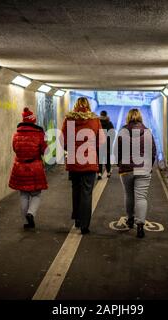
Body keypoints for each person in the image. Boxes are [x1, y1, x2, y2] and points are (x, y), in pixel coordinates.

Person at [61, 97, 105, 234]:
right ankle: (85, 225)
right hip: (89, 162)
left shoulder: (69, 120)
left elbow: (62, 141)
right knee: (86, 192)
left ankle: (77, 220)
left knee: (76, 190)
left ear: (76, 106)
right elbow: (101, 141)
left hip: (74, 161)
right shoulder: (95, 120)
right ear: (88, 106)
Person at [116, 109, 156, 238]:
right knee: (141, 197)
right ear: (140, 118)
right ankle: (140, 227)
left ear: (128, 118)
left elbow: (116, 151)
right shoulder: (148, 132)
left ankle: (130, 219)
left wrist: (119, 164)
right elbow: (153, 151)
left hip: (126, 169)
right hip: (144, 169)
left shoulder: (122, 131)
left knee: (129, 195)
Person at [9, 107, 48, 229]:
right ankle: (31, 213)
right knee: (36, 194)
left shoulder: (16, 134)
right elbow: (45, 151)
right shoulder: (39, 134)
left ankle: (27, 219)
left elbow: (15, 149)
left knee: (23, 194)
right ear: (33, 121)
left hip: (20, 167)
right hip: (35, 167)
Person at [98, 110, 115, 180]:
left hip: (99, 144)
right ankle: (108, 172)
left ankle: (99, 173)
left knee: (99, 159)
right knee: (107, 159)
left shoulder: (97, 123)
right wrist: (110, 142)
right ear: (106, 115)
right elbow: (112, 134)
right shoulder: (109, 123)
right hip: (107, 144)